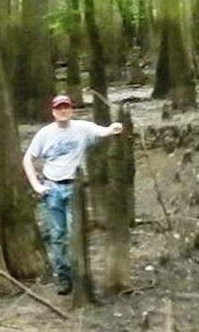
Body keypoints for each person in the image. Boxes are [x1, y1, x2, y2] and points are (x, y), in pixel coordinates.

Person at [22, 94, 124, 294]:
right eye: (59, 108)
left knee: (74, 232)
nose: (63, 111)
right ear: (53, 111)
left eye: (66, 107)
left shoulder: (82, 128)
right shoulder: (45, 134)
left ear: (71, 109)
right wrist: (36, 185)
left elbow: (103, 131)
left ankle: (81, 275)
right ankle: (64, 277)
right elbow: (28, 159)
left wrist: (115, 127)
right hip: (52, 189)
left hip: (75, 188)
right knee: (57, 235)